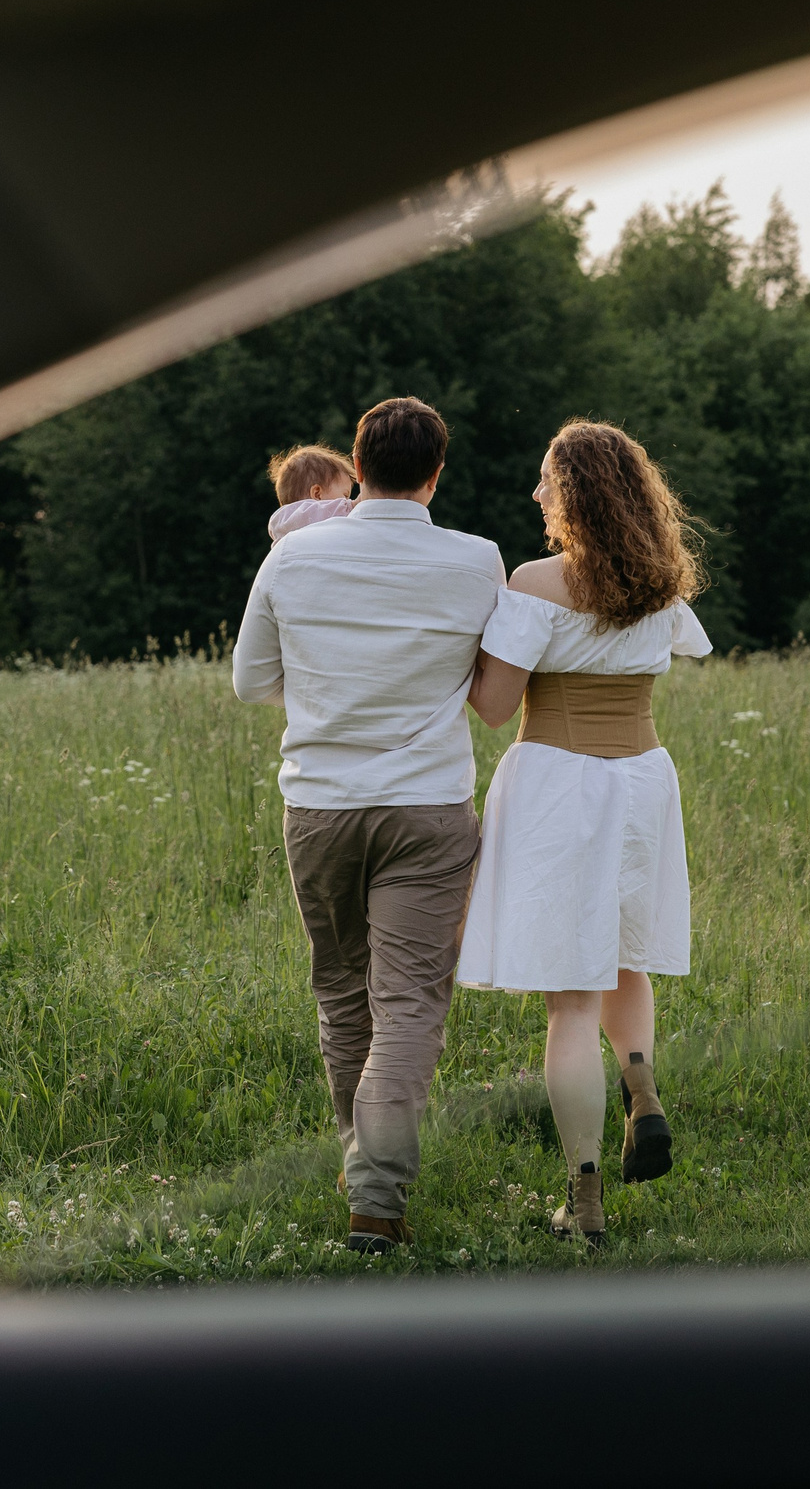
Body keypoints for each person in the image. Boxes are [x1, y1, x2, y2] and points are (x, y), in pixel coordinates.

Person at [233, 397, 505, 1253]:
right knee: (409, 1002)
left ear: (357, 466)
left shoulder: (292, 555)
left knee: (343, 995)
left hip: (320, 806)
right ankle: (375, 1196)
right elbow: (489, 680)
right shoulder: (479, 559)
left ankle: (366, 1178)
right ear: (436, 475)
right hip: (427, 808)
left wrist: (328, 688)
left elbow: (250, 681)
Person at [459, 420, 712, 1247]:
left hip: (559, 784)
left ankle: (585, 1193)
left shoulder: (536, 582)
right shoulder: (662, 583)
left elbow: (495, 708)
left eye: (546, 480)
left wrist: (464, 651)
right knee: (625, 955)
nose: (536, 493)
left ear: (575, 492)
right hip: (641, 779)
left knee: (570, 1000)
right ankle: (641, 1086)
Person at [265, 444, 356, 544]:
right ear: (317, 494)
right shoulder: (309, 514)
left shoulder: (281, 523)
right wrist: (357, 503)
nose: (347, 501)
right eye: (345, 495)